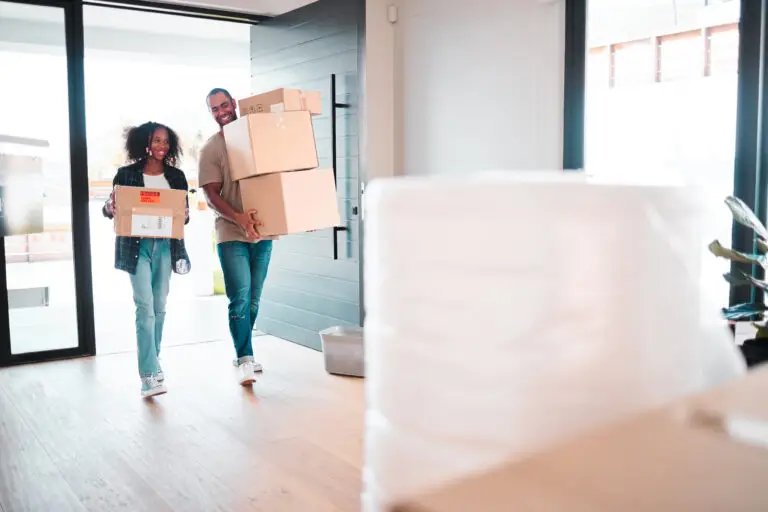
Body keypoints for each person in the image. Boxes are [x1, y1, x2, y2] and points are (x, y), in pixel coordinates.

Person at [103, 121, 191, 398]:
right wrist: (109, 207)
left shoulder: (176, 177)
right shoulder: (126, 174)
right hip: (135, 246)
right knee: (145, 306)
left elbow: (182, 216)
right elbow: (112, 208)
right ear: (144, 143)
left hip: (166, 246)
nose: (161, 146)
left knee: (160, 306)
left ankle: (154, 361)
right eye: (156, 141)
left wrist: (184, 214)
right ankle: (148, 376)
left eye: (165, 141)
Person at [198, 87, 273, 386]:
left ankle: (243, 350)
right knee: (239, 297)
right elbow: (211, 195)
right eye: (214, 109)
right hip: (230, 232)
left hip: (263, 230)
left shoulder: (258, 140)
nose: (221, 112)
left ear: (234, 104)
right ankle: (245, 357)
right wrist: (239, 218)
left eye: (224, 105)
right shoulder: (212, 149)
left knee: (253, 300)